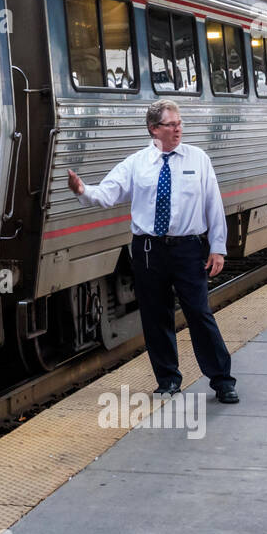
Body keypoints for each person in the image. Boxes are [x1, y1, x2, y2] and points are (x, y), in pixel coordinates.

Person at [68, 99, 237, 403]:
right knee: (156, 316)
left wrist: (218, 248)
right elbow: (109, 192)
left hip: (188, 247)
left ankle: (222, 380)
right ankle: (168, 380)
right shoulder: (137, 163)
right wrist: (83, 191)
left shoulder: (198, 159)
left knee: (199, 313)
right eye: (171, 124)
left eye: (179, 123)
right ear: (154, 129)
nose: (178, 129)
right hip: (148, 249)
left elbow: (214, 204)